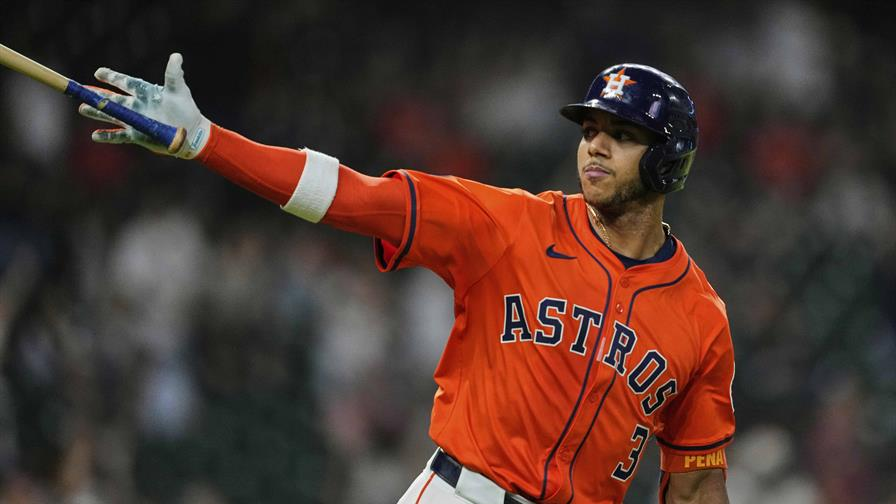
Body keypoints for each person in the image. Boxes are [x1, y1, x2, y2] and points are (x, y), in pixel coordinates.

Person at [79, 54, 735, 504]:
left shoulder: (701, 318)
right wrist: (205, 142)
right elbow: (350, 195)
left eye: (621, 134)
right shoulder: (506, 224)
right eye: (590, 129)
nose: (595, 145)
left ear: (668, 160)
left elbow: (697, 487)